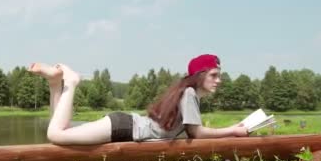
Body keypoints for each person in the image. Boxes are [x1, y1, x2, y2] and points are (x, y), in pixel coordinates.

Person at [28, 54, 248, 145]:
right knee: (56, 134)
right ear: (200, 76)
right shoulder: (189, 94)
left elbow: (193, 132)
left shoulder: (188, 94)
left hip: (125, 125)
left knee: (62, 128)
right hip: (125, 127)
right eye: (214, 75)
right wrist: (232, 130)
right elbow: (196, 133)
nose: (219, 80)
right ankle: (72, 82)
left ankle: (55, 84)